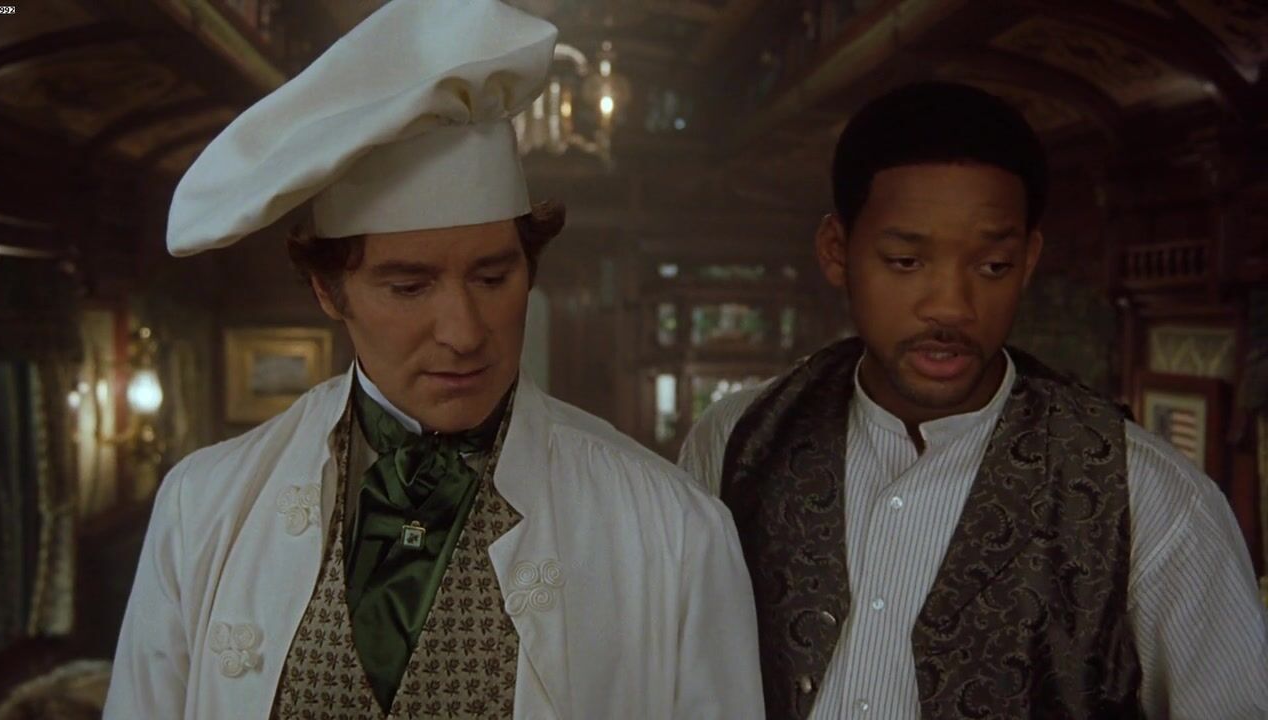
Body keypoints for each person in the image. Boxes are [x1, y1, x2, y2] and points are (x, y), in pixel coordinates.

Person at [104, 1, 762, 717]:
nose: (464, 332)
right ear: (328, 290)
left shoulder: (673, 530)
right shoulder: (204, 507)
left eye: (492, 277)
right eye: (409, 286)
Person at [680, 81, 1268, 719]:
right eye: (906, 261)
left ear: (1029, 260)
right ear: (836, 251)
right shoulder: (739, 440)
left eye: (992, 267)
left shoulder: (1147, 496)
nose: (952, 307)